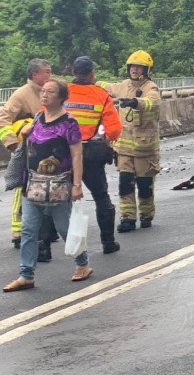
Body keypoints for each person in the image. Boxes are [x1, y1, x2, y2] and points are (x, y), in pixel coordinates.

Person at [3, 79, 92, 292]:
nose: (44, 95)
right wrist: (24, 134)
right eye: (43, 91)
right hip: (32, 183)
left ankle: (83, 264)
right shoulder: (37, 118)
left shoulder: (69, 122)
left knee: (64, 227)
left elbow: (77, 154)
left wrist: (77, 184)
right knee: (28, 229)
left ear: (61, 97)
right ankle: (26, 274)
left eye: (50, 92)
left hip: (59, 185)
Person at [61, 56, 123, 254]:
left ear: (73, 72)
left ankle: (44, 248)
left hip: (63, 153)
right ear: (92, 73)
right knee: (101, 197)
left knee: (56, 199)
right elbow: (114, 130)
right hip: (91, 154)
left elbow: (46, 119)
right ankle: (108, 243)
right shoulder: (101, 95)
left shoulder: (61, 93)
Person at [97, 51, 161, 232]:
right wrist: (90, 83)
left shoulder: (151, 88)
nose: (134, 70)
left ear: (146, 69)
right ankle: (128, 218)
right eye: (132, 66)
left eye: (138, 67)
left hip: (145, 149)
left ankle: (146, 215)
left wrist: (135, 102)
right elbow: (106, 86)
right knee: (125, 183)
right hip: (124, 148)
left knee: (144, 185)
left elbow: (152, 102)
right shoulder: (123, 85)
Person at [0, 59, 51, 249]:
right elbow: (3, 119)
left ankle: (45, 229)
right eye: (46, 72)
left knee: (47, 189)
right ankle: (18, 231)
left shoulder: (49, 92)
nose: (49, 76)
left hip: (47, 151)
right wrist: (13, 144)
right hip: (27, 149)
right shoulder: (22, 94)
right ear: (34, 74)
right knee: (22, 188)